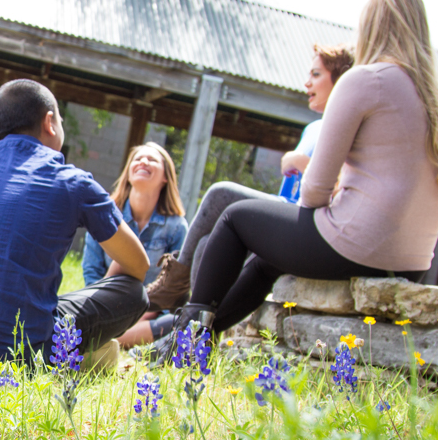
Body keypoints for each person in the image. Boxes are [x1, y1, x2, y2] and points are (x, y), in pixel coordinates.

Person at [152, 0, 438, 361]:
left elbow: (314, 190)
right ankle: (191, 341)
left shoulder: (366, 80)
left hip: (356, 246)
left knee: (235, 218)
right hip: (412, 264)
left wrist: (324, 205)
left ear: (370, 28)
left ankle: (185, 336)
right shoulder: (435, 100)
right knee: (267, 259)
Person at [0, 79, 151, 364]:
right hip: (18, 353)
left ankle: (76, 354)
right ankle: (75, 358)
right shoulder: (73, 181)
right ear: (50, 122)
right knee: (133, 292)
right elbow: (138, 266)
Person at [146, 43, 354, 313]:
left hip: (306, 223)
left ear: (340, 80)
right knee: (206, 245)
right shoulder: (314, 127)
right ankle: (197, 326)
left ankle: (174, 283)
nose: (306, 83)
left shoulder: (345, 126)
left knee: (221, 193)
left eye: (316, 75)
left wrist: (302, 162)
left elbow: (343, 187)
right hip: (283, 210)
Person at [82, 142, 188, 347]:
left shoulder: (177, 227)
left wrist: (138, 318)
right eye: (138, 159)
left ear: (166, 177)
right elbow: (92, 275)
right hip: (106, 308)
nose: (143, 161)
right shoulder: (103, 215)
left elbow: (173, 290)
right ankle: (116, 337)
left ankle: (106, 339)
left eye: (152, 160)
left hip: (149, 317)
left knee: (179, 322)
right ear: (129, 174)